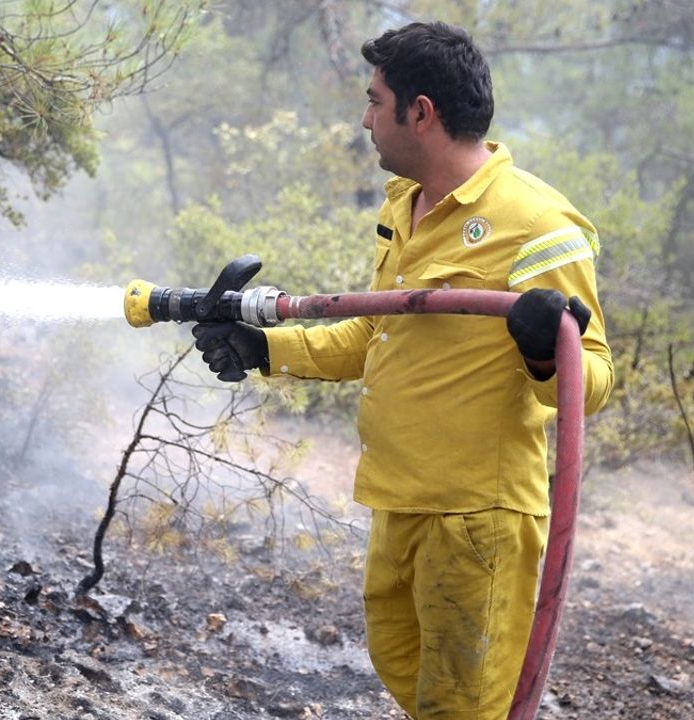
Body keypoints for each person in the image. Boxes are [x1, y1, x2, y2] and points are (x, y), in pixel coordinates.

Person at [191, 21, 613, 720]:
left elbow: (590, 377)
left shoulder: (538, 224)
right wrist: (266, 350)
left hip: (477, 517)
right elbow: (380, 332)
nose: (364, 119)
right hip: (400, 501)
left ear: (421, 112)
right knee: (409, 679)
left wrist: (544, 350)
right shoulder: (405, 207)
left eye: (374, 101)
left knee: (462, 706)